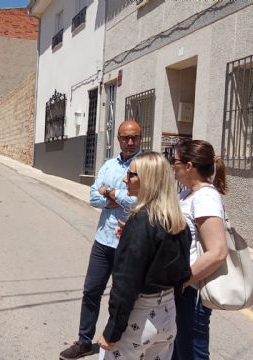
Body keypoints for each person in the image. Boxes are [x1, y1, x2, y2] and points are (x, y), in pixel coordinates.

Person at [60, 120, 143, 360]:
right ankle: (84, 341)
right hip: (103, 240)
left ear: (140, 138)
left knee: (121, 297)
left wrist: (111, 192)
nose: (130, 142)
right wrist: (116, 198)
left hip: (129, 244)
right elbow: (93, 198)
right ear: (118, 139)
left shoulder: (145, 165)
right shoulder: (108, 165)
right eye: (125, 138)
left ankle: (116, 342)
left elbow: (141, 201)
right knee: (91, 291)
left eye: (135, 137)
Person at [97, 152, 192, 360]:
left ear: (147, 180)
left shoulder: (141, 221)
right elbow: (181, 272)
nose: (125, 179)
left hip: (140, 319)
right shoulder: (177, 221)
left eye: (131, 175)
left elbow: (126, 284)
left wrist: (113, 330)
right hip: (167, 316)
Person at [170, 140, 228, 360]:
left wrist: (184, 281)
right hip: (184, 290)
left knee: (192, 354)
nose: (172, 166)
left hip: (192, 292)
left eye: (175, 161)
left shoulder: (205, 197)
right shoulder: (188, 194)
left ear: (189, 166)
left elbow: (217, 252)